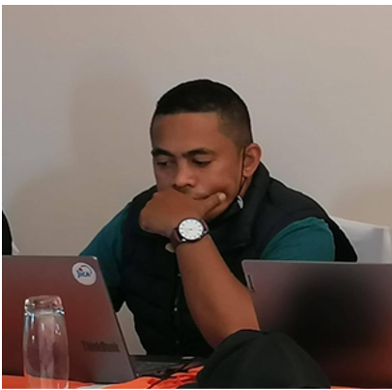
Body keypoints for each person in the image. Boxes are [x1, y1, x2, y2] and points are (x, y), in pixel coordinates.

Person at [81, 79, 356, 357]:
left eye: (200, 162)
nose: (180, 179)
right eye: (164, 163)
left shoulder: (298, 229)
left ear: (248, 161)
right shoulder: (143, 214)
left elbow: (249, 345)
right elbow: (68, 307)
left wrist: (185, 230)